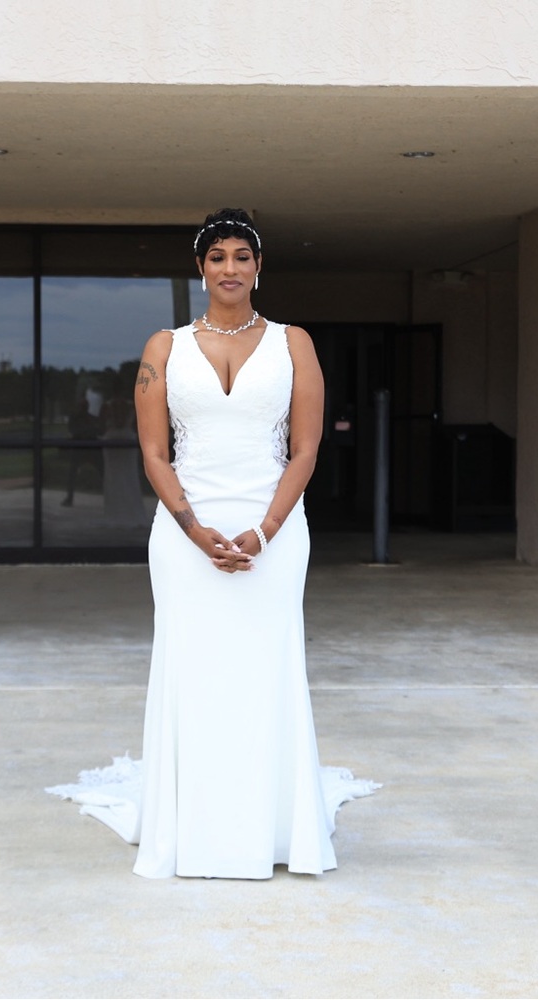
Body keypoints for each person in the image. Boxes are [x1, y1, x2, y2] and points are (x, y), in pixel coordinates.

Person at [47, 208, 378, 878]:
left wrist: (265, 529)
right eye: (217, 256)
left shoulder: (295, 343)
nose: (230, 268)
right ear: (200, 269)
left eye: (242, 256)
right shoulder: (162, 348)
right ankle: (190, 828)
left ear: (260, 266)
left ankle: (276, 830)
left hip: (274, 532)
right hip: (184, 535)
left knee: (266, 672)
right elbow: (153, 453)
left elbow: (307, 450)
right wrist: (195, 530)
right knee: (193, 674)